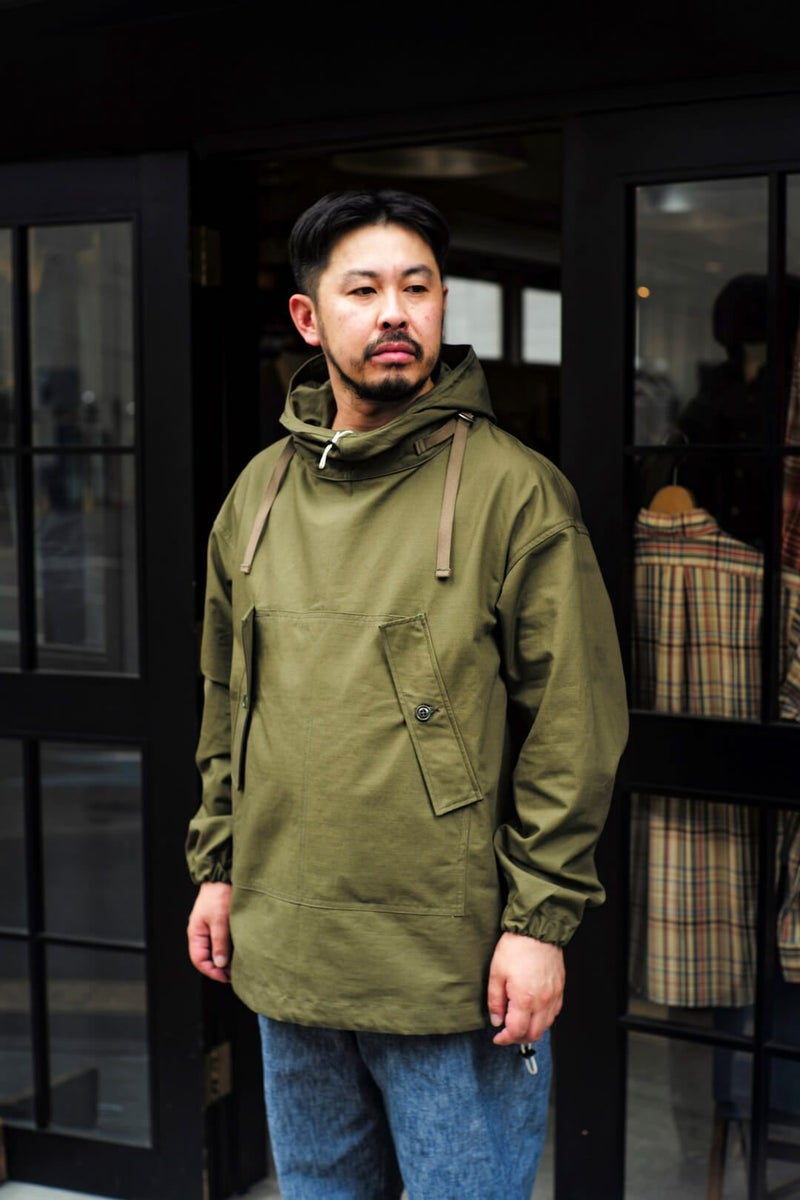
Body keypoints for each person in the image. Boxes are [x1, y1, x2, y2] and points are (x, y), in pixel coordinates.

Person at [185, 188, 628, 1200]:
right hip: (291, 950)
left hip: (449, 962)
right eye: (364, 290)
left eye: (417, 288)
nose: (395, 313)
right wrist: (218, 866)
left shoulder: (514, 492)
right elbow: (226, 697)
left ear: (441, 305)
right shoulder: (256, 494)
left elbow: (572, 727)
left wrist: (539, 925)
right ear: (308, 317)